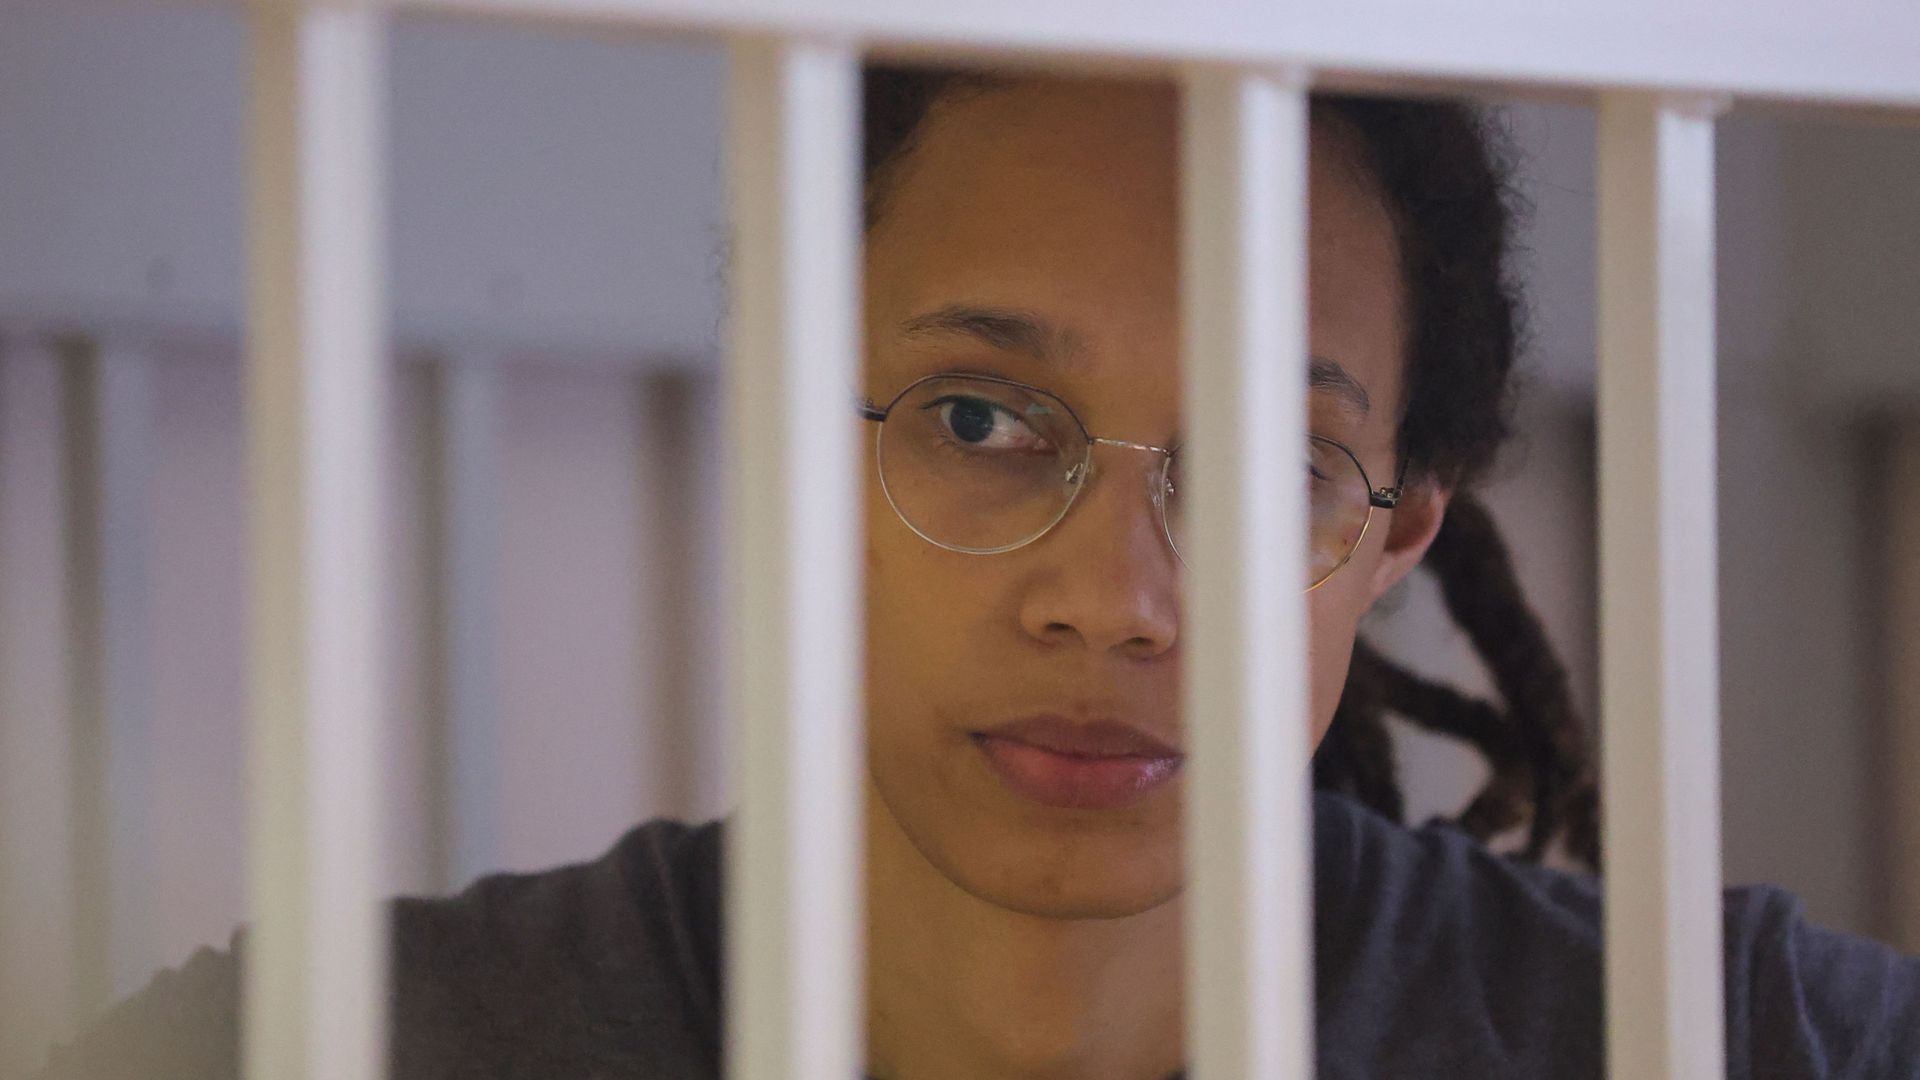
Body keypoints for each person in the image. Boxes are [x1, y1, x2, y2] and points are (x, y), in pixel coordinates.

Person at [34, 65, 1920, 1080]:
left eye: (1271, 465)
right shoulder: (324, 1053)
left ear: (1395, 534)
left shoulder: (1741, 1047)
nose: (1116, 595)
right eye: (976, 416)